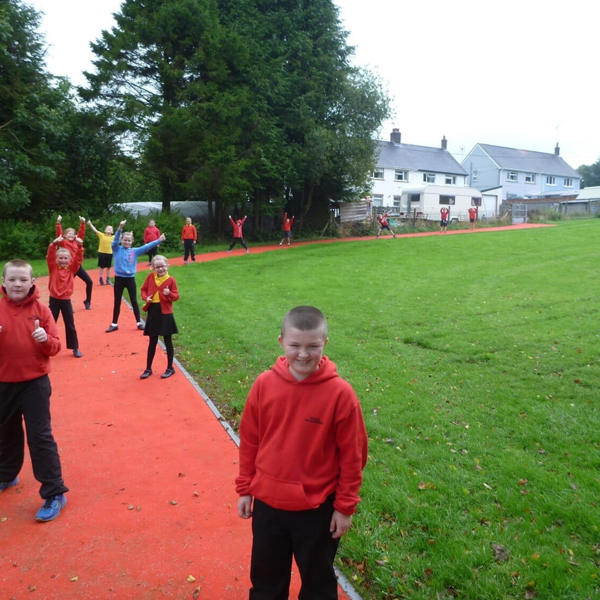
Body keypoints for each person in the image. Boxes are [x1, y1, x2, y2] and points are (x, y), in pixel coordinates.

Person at [236, 305, 368, 599]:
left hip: (317, 510)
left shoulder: (340, 395)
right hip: (269, 506)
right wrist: (245, 489)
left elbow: (353, 457)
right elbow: (250, 440)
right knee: (266, 579)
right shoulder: (264, 385)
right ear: (282, 342)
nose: (304, 354)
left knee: (318, 582)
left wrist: (344, 507)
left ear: (325, 344)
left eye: (313, 346)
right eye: (296, 345)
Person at [0, 259, 68, 522]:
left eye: (23, 279)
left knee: (40, 437)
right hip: (4, 383)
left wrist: (45, 341)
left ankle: (54, 492)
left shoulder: (41, 310)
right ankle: (7, 474)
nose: (17, 284)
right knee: (6, 432)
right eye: (12, 279)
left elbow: (56, 346)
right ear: (4, 282)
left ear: (32, 283)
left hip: (35, 384)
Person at [105, 220, 166, 333]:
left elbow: (147, 246)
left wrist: (159, 240)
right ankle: (114, 323)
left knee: (134, 300)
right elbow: (114, 242)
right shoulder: (116, 249)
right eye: (125, 240)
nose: (127, 242)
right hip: (119, 279)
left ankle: (139, 322)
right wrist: (120, 228)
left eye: (129, 240)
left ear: (132, 241)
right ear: (121, 240)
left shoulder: (135, 251)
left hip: (130, 279)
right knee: (117, 301)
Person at [139, 255, 179, 380]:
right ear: (153, 268)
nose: (160, 269)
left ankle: (170, 368)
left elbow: (176, 296)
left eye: (162, 266)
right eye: (157, 267)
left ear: (167, 265)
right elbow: (143, 290)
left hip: (165, 313)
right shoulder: (151, 277)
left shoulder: (171, 280)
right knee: (152, 341)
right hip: (153, 311)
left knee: (168, 341)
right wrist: (146, 298)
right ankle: (148, 368)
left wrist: (169, 293)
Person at [47, 236, 84, 358]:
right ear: (57, 259)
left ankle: (75, 347)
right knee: (50, 324)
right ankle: (46, 346)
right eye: (60, 258)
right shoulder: (53, 267)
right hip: (53, 300)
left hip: (66, 300)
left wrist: (79, 247)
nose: (63, 260)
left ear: (69, 259)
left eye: (65, 258)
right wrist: (53, 244)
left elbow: (78, 260)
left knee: (70, 324)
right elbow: (50, 256)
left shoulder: (72, 269)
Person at [55, 215, 93, 309]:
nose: (71, 235)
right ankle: (67, 304)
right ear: (65, 235)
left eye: (73, 234)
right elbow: (59, 234)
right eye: (69, 233)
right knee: (66, 285)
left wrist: (83, 223)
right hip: (68, 268)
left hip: (77, 266)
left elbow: (81, 234)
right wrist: (58, 223)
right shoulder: (63, 242)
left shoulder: (77, 242)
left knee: (89, 282)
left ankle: (87, 301)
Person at [87, 220, 114, 285]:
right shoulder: (101, 235)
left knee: (108, 267)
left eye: (110, 229)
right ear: (105, 230)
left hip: (109, 253)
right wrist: (90, 224)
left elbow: (120, 236)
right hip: (102, 253)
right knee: (101, 267)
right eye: (108, 228)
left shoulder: (114, 237)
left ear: (112, 232)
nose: (109, 229)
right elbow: (95, 230)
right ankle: (100, 278)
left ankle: (107, 279)